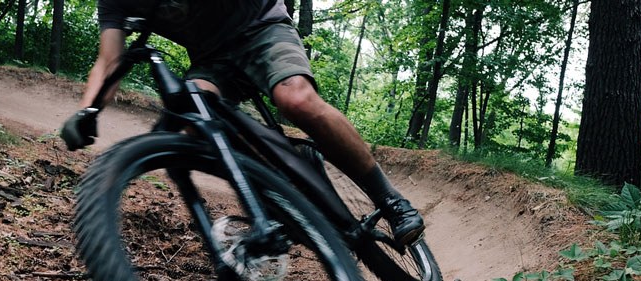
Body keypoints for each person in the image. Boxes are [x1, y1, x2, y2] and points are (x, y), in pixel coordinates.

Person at [61, 0, 425, 246]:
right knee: (194, 118)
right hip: (212, 59)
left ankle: (390, 200)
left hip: (262, 25)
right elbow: (110, 60)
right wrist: (87, 111)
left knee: (294, 98)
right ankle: (284, 168)